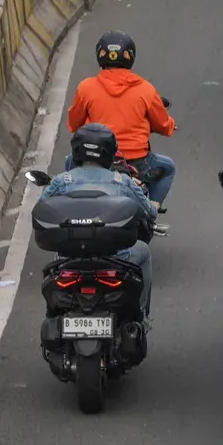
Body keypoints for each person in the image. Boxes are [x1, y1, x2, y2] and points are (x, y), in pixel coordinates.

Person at [40, 124, 158, 318]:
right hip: (117, 258)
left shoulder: (62, 181)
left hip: (69, 258)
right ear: (110, 153)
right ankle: (141, 314)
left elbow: (41, 210)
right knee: (143, 251)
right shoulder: (122, 181)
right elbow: (149, 212)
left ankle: (55, 315)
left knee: (54, 267)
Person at [66, 31, 178, 205]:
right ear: (130, 57)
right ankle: (152, 209)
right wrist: (170, 125)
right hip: (137, 163)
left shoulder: (86, 88)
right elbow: (164, 126)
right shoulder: (146, 90)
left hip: (95, 157)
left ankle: (72, 203)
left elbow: (73, 124)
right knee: (168, 167)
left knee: (70, 162)